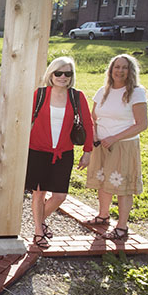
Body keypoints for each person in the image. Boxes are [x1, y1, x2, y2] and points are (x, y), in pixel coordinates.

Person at [25, 56, 94, 248]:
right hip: (38, 150)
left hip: (64, 152)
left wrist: (88, 151)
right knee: (39, 193)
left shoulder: (77, 96)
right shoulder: (40, 94)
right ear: (51, 74)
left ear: (71, 76)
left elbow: (88, 124)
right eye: (58, 73)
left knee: (60, 195)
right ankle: (39, 230)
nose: (62, 77)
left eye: (67, 73)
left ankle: (39, 220)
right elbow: (25, 120)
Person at [85, 54, 148, 241]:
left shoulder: (136, 92)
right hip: (102, 144)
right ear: (110, 70)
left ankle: (122, 227)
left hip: (123, 145)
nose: (119, 71)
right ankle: (103, 215)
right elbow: (92, 117)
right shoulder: (103, 91)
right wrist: (96, 135)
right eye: (116, 67)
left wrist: (114, 138)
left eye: (124, 67)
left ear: (131, 71)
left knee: (122, 187)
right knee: (104, 181)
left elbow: (141, 124)